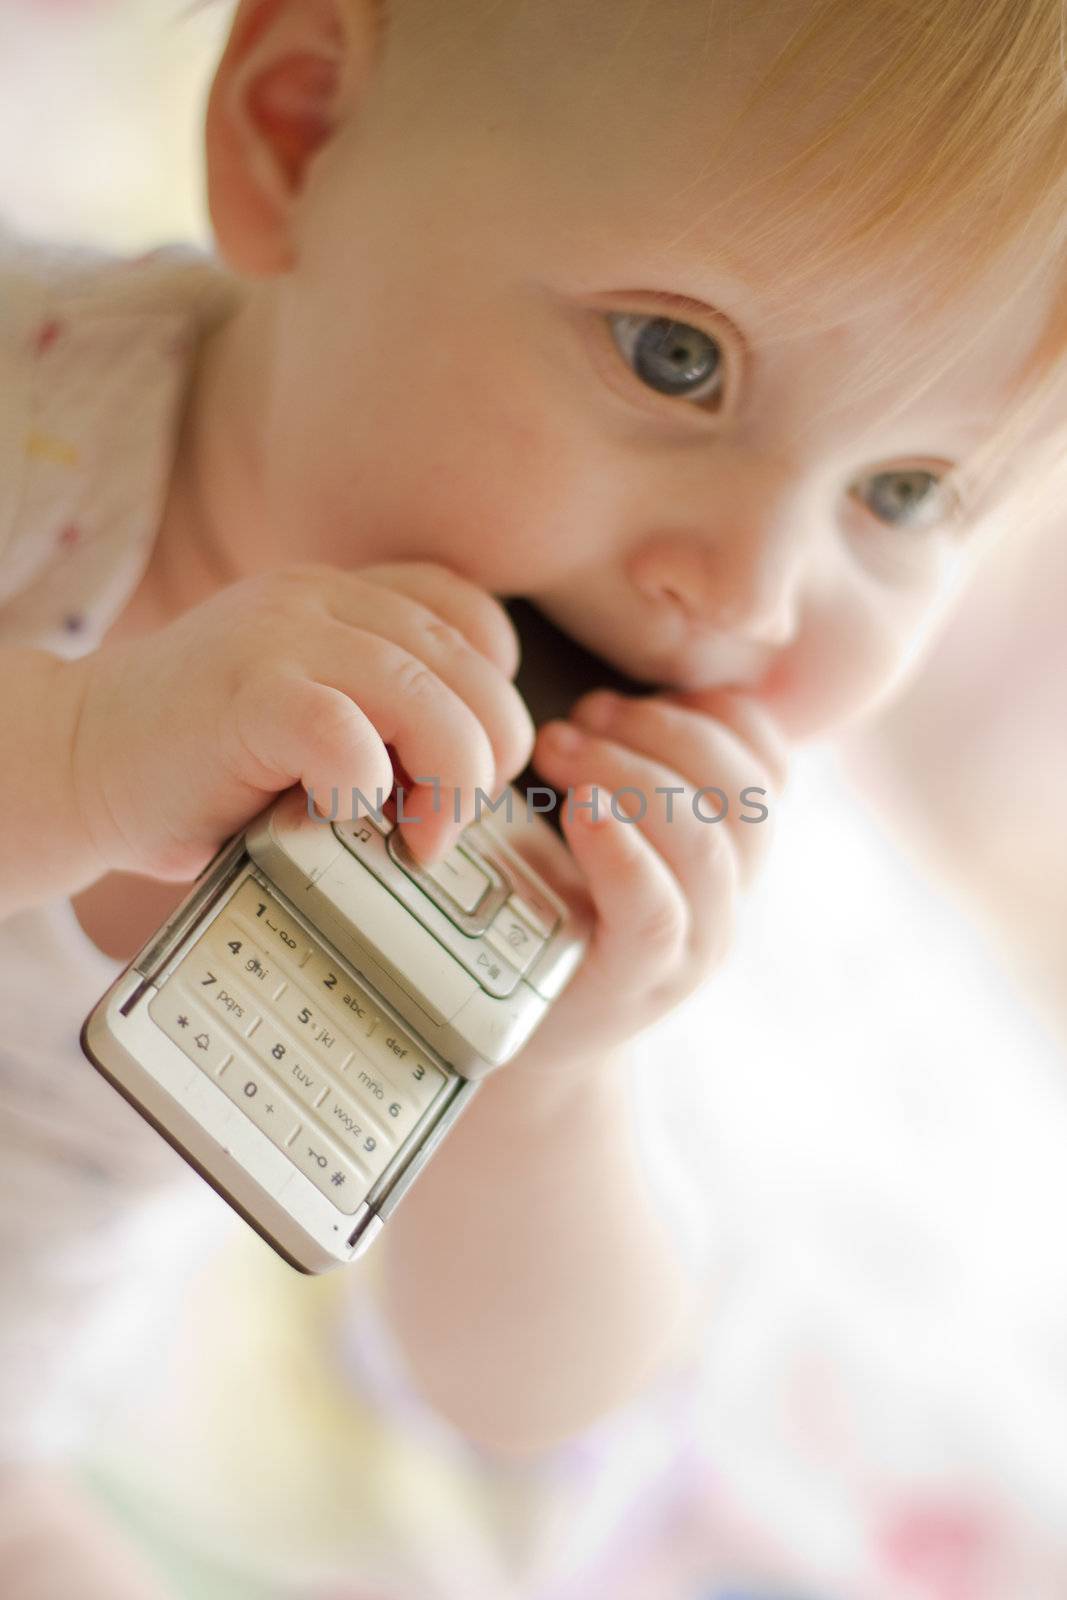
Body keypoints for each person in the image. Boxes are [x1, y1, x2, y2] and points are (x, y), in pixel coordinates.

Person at [1, 0, 1065, 1594]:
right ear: (298, 134)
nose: (747, 591)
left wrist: (547, 1094)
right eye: (676, 357)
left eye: (905, 493)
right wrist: (91, 753)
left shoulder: (595, 842)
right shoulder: (35, 402)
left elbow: (521, 1392)